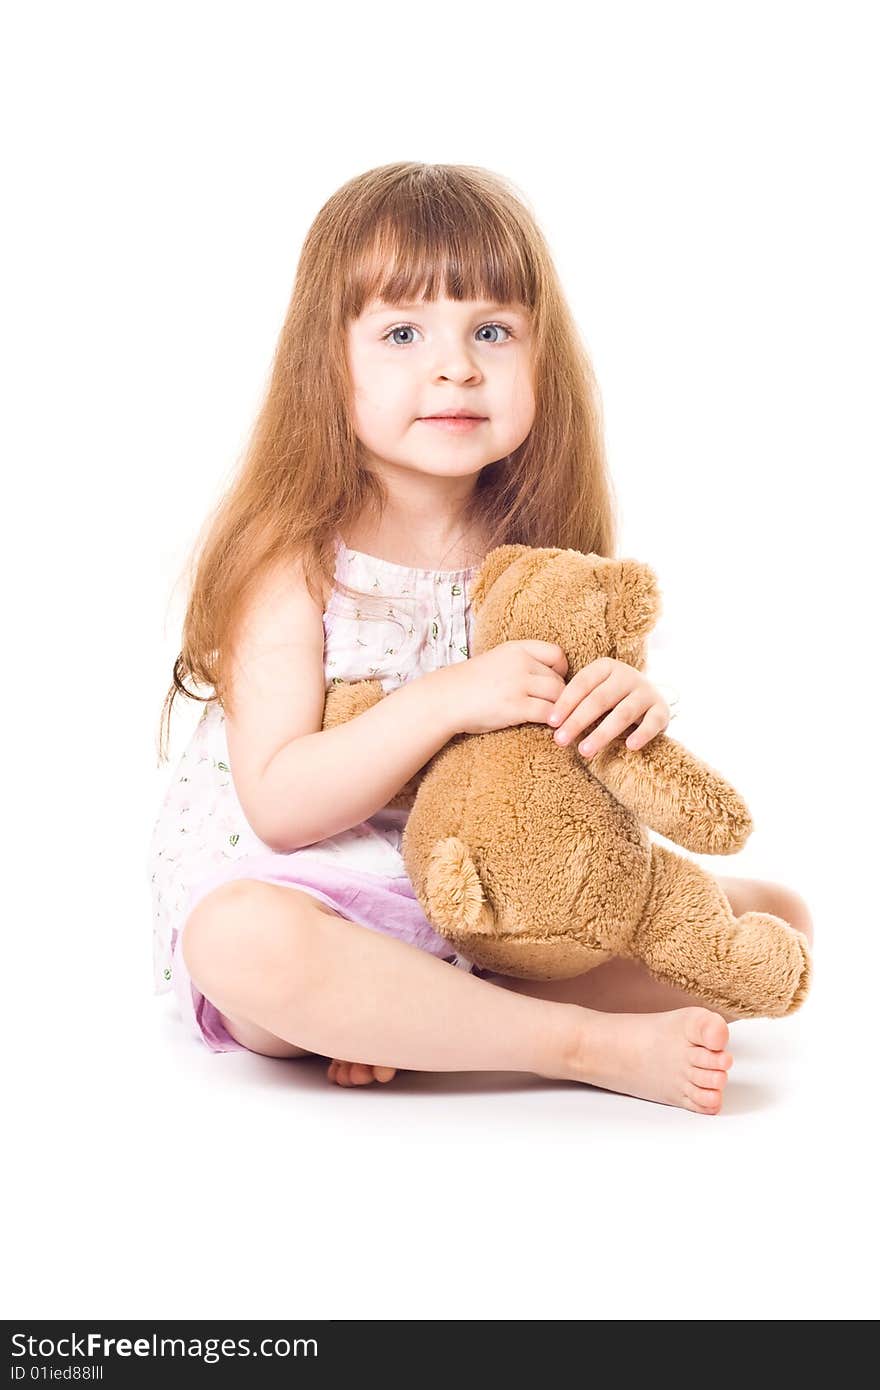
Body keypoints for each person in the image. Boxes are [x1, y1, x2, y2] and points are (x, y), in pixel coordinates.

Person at [149, 162, 814, 1115]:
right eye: (403, 332)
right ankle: (573, 1044)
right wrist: (447, 697)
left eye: (492, 332)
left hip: (496, 902)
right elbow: (283, 806)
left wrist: (628, 705)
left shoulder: (537, 550)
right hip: (322, 894)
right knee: (241, 944)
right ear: (325, 364)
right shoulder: (292, 561)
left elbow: (569, 776)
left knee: (779, 920)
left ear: (542, 360)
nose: (456, 366)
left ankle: (419, 1024)